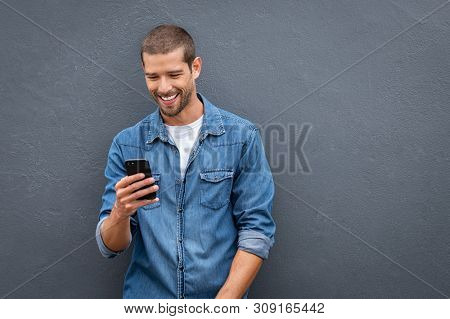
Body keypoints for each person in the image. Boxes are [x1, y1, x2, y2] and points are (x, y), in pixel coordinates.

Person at [95, 24, 276, 299]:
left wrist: (222, 306)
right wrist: (120, 212)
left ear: (196, 68)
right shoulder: (127, 144)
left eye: (174, 74)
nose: (164, 88)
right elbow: (111, 246)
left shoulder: (242, 137)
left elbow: (256, 232)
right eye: (153, 76)